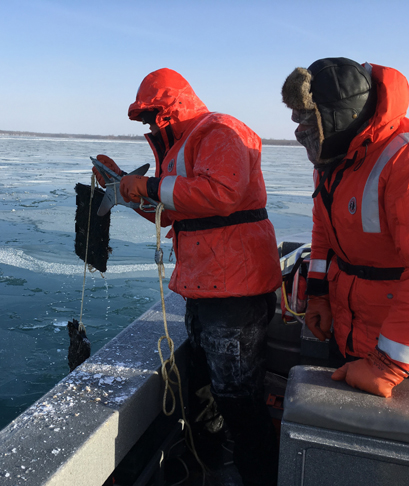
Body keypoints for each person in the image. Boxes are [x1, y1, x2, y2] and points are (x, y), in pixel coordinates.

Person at [94, 68, 282, 486]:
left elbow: (221, 194)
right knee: (203, 391)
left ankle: (259, 478)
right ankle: (206, 468)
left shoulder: (219, 130)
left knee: (239, 402)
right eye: (143, 119)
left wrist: (145, 185)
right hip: (205, 287)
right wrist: (124, 189)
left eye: (150, 117)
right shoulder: (179, 146)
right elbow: (172, 213)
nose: (147, 125)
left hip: (235, 291)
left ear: (168, 110)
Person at [281, 57, 409, 398]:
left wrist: (388, 365)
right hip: (349, 333)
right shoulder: (333, 159)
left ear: (340, 118)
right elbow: (323, 231)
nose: (303, 132)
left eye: (311, 122)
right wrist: (319, 296)